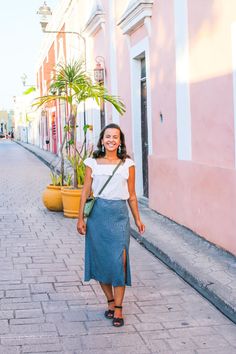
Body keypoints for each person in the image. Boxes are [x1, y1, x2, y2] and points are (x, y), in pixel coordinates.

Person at [77, 123, 145, 327]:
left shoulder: (128, 165)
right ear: (102, 139)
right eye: (108, 136)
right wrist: (80, 218)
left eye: (115, 137)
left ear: (120, 141)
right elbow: (85, 191)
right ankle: (110, 300)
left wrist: (138, 219)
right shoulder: (92, 163)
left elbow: (132, 196)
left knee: (119, 262)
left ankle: (119, 308)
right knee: (100, 262)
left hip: (119, 217)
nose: (111, 140)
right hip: (97, 217)